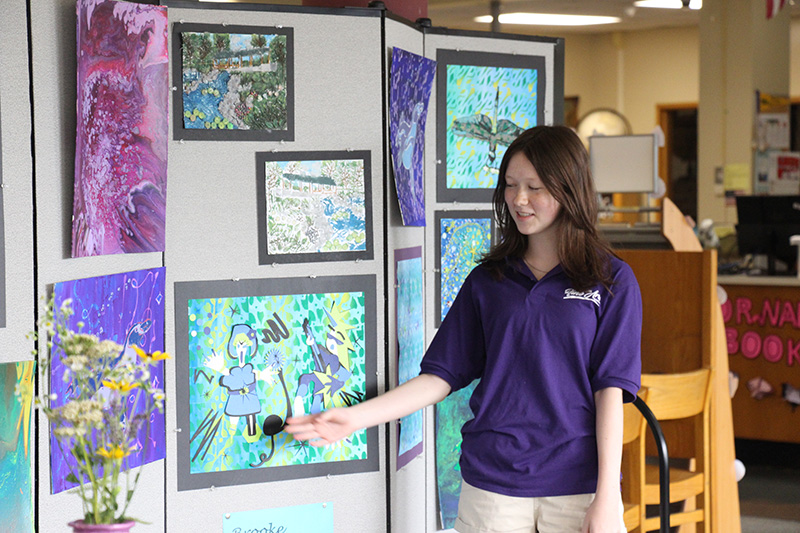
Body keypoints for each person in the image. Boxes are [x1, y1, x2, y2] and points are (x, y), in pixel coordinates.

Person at [286, 125, 642, 533]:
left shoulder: (611, 280)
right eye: (510, 185)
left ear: (569, 191)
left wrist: (607, 494)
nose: (518, 200)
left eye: (534, 187)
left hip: (578, 486)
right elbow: (440, 377)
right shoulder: (489, 281)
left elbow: (610, 391)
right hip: (493, 485)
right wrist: (355, 419)